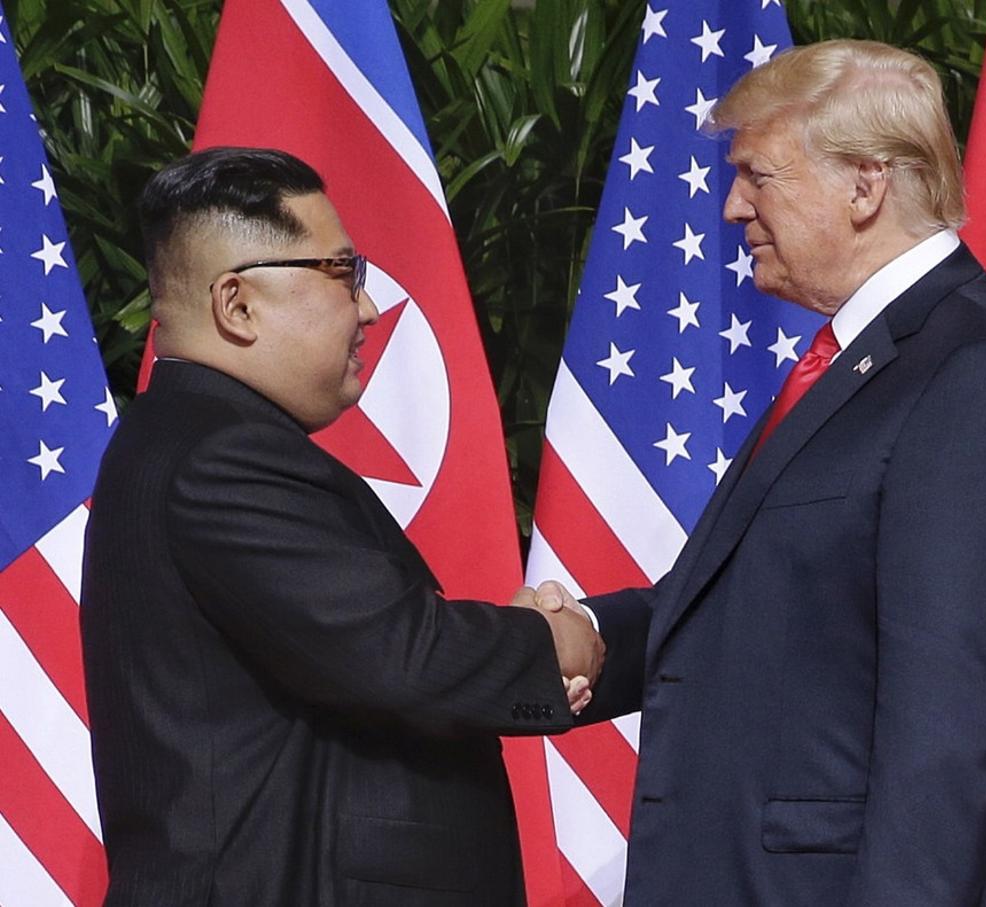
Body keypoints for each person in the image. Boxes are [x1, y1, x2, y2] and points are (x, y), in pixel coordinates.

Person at [529, 39, 986, 906]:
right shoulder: (855, 361)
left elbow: (950, 734)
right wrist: (580, 638)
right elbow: (742, 610)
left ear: (867, 185)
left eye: (758, 175)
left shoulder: (975, 373)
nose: (731, 206)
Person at [80, 146, 602, 906]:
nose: (367, 307)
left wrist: (620, 632)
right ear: (238, 304)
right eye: (343, 273)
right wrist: (557, 641)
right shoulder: (222, 456)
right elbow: (406, 659)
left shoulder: (190, 439)